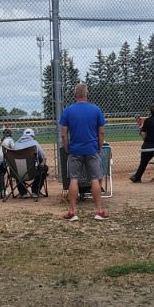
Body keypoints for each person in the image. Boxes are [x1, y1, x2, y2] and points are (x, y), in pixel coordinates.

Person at [59, 83, 109, 221]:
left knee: (74, 179)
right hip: (92, 149)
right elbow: (101, 131)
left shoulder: (67, 111)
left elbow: (64, 134)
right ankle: (99, 210)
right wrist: (99, 147)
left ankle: (72, 211)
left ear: (75, 95)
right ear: (87, 94)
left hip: (75, 150)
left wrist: (67, 148)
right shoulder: (96, 109)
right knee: (95, 178)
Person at [130, 103, 154, 182]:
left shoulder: (148, 120)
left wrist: (145, 139)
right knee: (152, 154)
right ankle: (137, 176)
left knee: (144, 159)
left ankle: (137, 177)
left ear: (150, 111)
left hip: (149, 144)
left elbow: (143, 134)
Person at [7, 128, 48, 197]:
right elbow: (43, 157)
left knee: (17, 167)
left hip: (18, 173)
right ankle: (35, 191)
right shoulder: (35, 143)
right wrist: (42, 164)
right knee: (44, 168)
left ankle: (23, 192)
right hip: (32, 172)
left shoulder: (15, 145)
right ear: (33, 136)